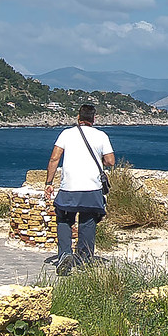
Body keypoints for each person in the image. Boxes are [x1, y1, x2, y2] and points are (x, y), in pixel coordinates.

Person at [44, 102, 117, 275]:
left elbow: (54, 159)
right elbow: (110, 161)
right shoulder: (101, 136)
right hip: (92, 187)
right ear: (94, 118)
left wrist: (49, 183)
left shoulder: (66, 134)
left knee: (63, 219)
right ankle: (85, 259)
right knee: (88, 221)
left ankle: (65, 254)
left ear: (78, 117)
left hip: (69, 187)